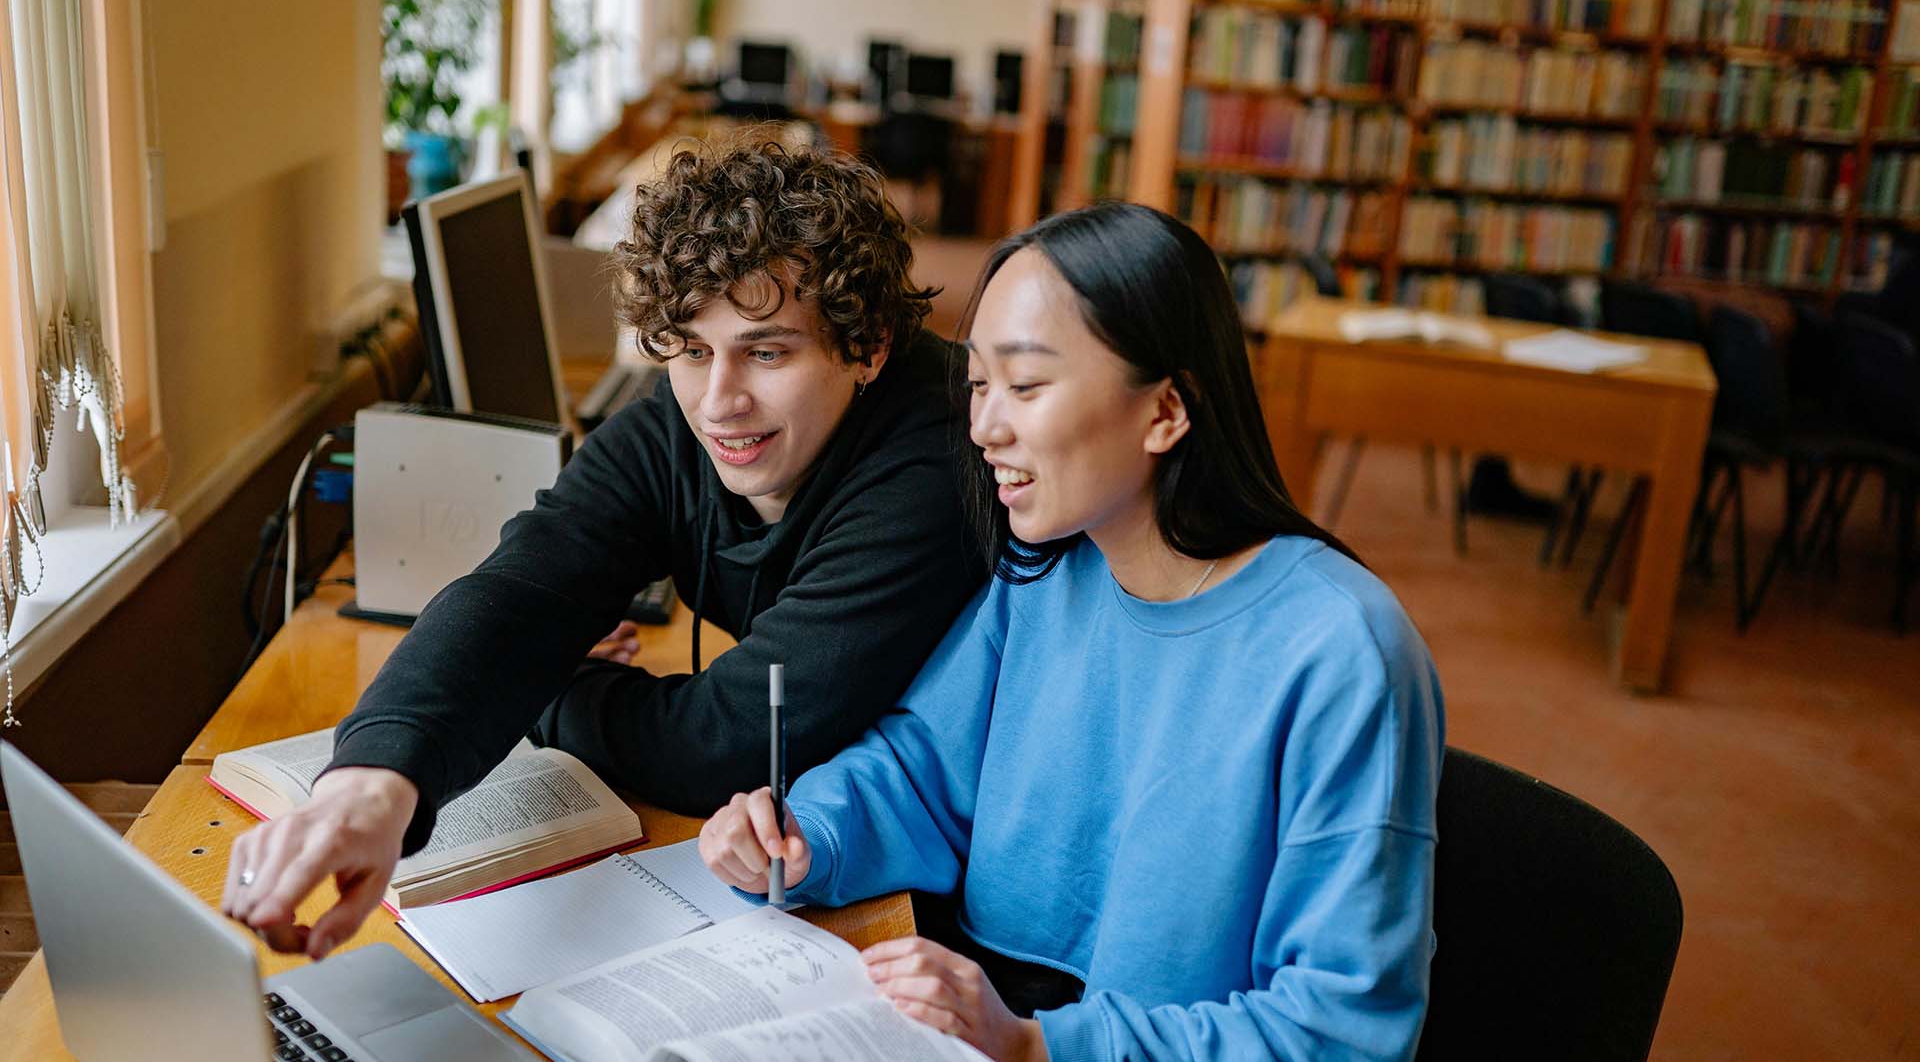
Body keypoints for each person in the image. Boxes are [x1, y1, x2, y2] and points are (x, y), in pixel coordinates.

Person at [701, 202, 1446, 1062]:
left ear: (1166, 411)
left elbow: (1339, 1032)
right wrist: (803, 837)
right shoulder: (1050, 567)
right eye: (978, 384)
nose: (983, 426)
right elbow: (921, 769)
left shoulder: (1342, 651)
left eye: (1025, 384)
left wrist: (1037, 1047)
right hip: (1002, 1011)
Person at [221, 140, 986, 960]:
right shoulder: (682, 416)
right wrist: (372, 784)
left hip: (947, 911)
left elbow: (726, 742)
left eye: (766, 351)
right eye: (691, 349)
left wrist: (559, 683)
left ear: (866, 344)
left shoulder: (937, 455)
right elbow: (525, 586)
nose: (719, 402)